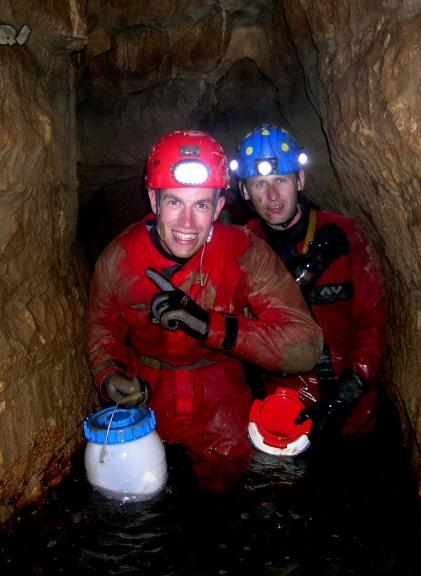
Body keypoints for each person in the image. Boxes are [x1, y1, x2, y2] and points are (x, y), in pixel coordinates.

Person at [84, 130, 323, 491]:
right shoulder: (119, 260)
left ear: (219, 207)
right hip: (149, 399)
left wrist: (208, 326)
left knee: (226, 503)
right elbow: (102, 327)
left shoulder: (245, 253)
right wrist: (110, 374)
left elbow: (305, 347)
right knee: (137, 504)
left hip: (221, 398)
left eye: (201, 205)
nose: (186, 222)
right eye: (174, 202)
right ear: (153, 199)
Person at [230, 124, 387, 443]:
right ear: (245, 192)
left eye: (281, 180)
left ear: (300, 180)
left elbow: (372, 323)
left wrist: (347, 395)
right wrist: (297, 279)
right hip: (283, 411)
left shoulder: (345, 234)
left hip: (353, 413)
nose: (272, 195)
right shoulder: (240, 248)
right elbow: (235, 328)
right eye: (260, 183)